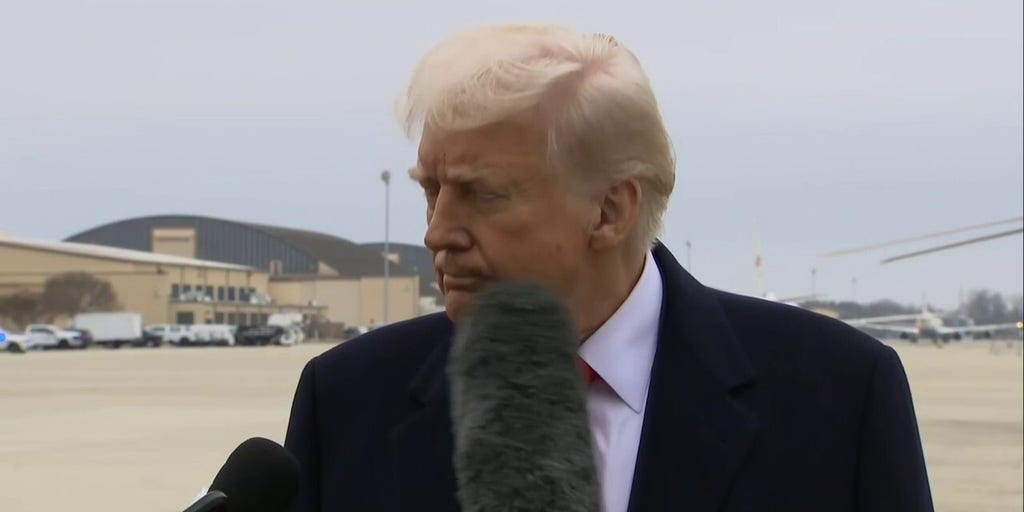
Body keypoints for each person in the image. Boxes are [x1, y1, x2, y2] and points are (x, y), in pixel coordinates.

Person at [284, 24, 933, 511]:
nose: (436, 233)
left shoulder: (839, 396)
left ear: (610, 210)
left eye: (482, 194)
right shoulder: (346, 402)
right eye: (431, 190)